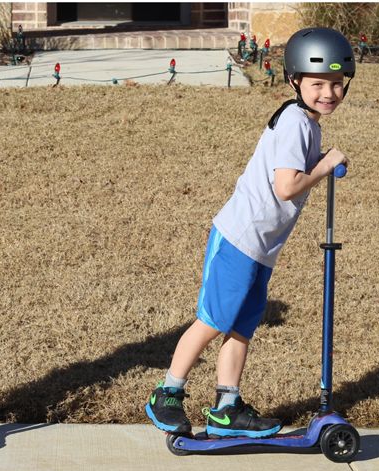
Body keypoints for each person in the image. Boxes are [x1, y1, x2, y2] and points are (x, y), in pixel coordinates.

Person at [146, 28, 355, 438]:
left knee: (242, 325)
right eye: (317, 84)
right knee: (213, 319)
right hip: (241, 239)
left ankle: (227, 407)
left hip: (262, 247)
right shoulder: (296, 123)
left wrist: (324, 160)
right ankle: (167, 392)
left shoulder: (306, 122)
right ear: (295, 81)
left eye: (336, 84)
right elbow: (286, 186)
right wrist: (327, 165)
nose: (328, 92)